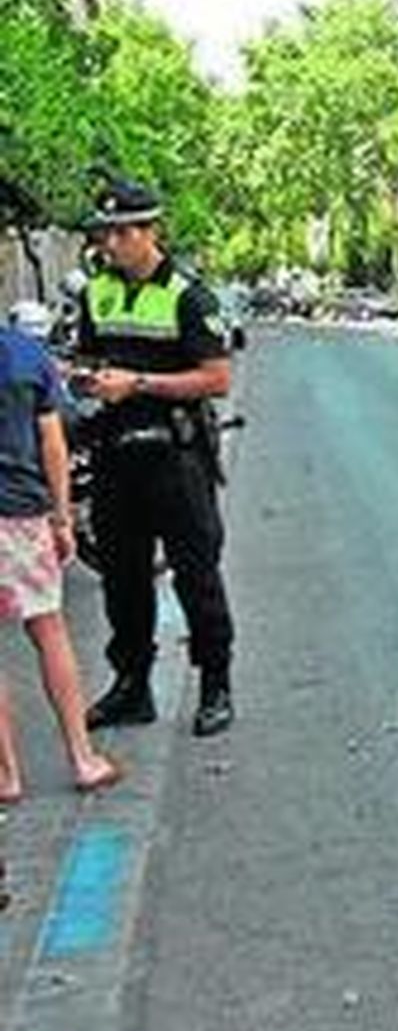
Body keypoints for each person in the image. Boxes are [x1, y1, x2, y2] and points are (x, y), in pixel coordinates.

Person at [74, 181, 237, 738]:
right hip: (116, 459)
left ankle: (215, 684)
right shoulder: (96, 292)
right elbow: (89, 354)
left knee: (196, 574)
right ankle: (131, 686)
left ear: (151, 233)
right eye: (106, 232)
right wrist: (87, 378)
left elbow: (216, 378)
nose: (111, 243)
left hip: (176, 458)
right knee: (123, 580)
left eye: (123, 232)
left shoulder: (188, 295)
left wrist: (138, 383)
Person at [0, 317, 122, 800]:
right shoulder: (27, 355)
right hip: (23, 514)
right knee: (49, 630)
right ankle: (82, 758)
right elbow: (53, 442)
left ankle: (7, 775)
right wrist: (62, 517)